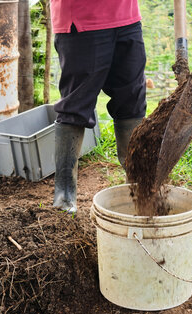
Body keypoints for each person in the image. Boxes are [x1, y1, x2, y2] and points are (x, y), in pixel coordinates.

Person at [50, 0, 147, 214]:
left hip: (126, 17)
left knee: (132, 102)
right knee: (75, 106)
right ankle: (64, 195)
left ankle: (139, 187)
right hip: (82, 20)